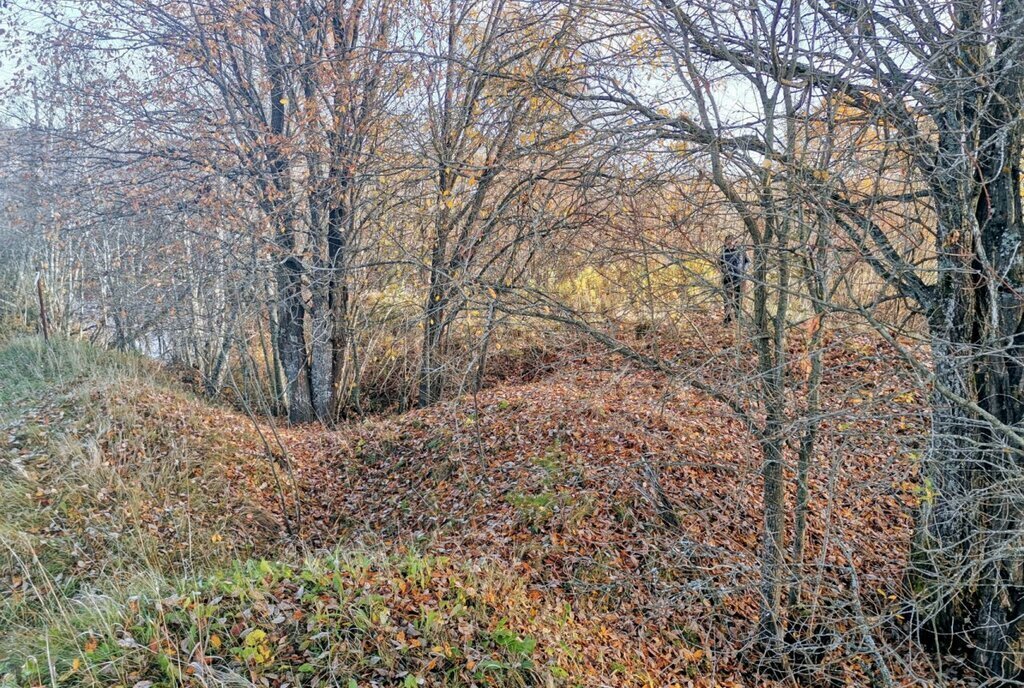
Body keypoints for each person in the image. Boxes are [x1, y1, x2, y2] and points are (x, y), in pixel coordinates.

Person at [719, 235, 749, 325]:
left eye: (732, 241)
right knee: (727, 300)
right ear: (725, 243)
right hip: (727, 279)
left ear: (735, 242)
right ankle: (727, 318)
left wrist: (744, 270)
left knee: (738, 299)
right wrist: (723, 270)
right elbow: (719, 264)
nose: (730, 243)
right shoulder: (723, 253)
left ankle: (738, 317)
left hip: (739, 278)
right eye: (728, 242)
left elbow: (748, 262)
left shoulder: (740, 251)